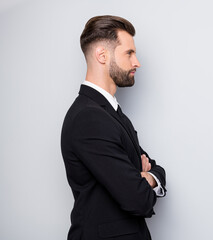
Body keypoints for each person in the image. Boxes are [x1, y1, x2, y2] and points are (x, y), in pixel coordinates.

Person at [61, 15, 166, 240]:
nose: (137, 62)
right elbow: (139, 199)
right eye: (129, 53)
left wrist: (147, 176)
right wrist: (143, 178)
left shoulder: (111, 113)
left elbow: (156, 168)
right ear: (102, 55)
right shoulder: (89, 118)